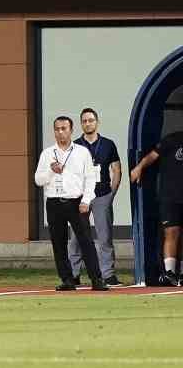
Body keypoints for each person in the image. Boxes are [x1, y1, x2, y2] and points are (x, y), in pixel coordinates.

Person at [34, 116, 105, 292]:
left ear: (71, 130)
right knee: (58, 243)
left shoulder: (81, 152)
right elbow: (38, 179)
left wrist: (86, 200)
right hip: (54, 202)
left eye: (64, 128)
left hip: (76, 201)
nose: (60, 132)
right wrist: (51, 170)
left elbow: (90, 179)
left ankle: (96, 278)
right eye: (57, 129)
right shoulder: (47, 153)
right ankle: (67, 279)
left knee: (85, 241)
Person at [74, 108, 122, 287]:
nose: (88, 123)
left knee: (105, 236)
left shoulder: (108, 144)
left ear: (97, 122)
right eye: (84, 121)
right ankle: (74, 274)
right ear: (81, 124)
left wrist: (112, 194)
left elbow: (117, 169)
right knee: (77, 237)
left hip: (102, 195)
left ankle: (108, 275)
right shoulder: (76, 146)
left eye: (91, 120)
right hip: (81, 197)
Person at [130, 127, 183, 286]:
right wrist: (139, 167)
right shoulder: (172, 139)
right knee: (171, 232)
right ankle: (169, 273)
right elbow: (152, 156)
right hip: (169, 197)